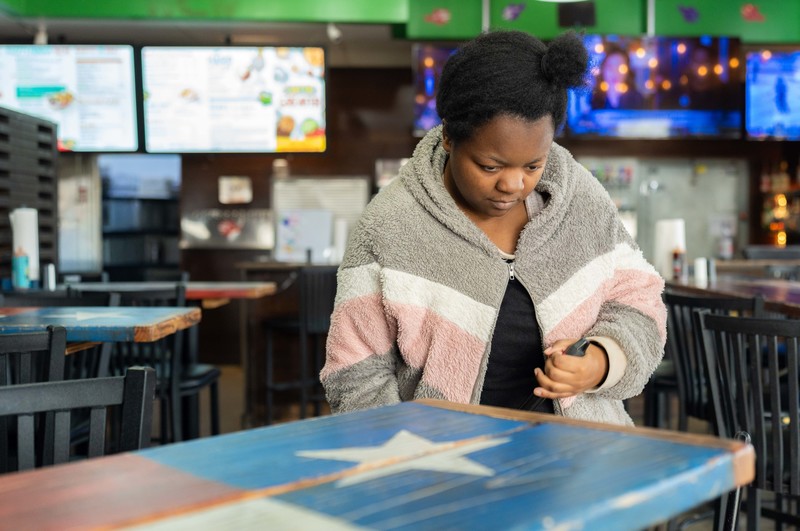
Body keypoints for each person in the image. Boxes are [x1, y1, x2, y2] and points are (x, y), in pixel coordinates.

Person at [321, 30, 666, 427]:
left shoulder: (579, 198)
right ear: (449, 135)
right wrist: (407, 459)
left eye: (533, 166)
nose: (514, 185)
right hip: (445, 468)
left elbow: (640, 303)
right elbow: (355, 373)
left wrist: (603, 361)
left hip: (581, 456)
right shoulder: (390, 224)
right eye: (491, 166)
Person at [590, 44, 645, 110]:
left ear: (628, 71)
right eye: (610, 67)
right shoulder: (595, 98)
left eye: (620, 67)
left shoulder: (637, 99)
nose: (614, 72)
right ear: (603, 69)